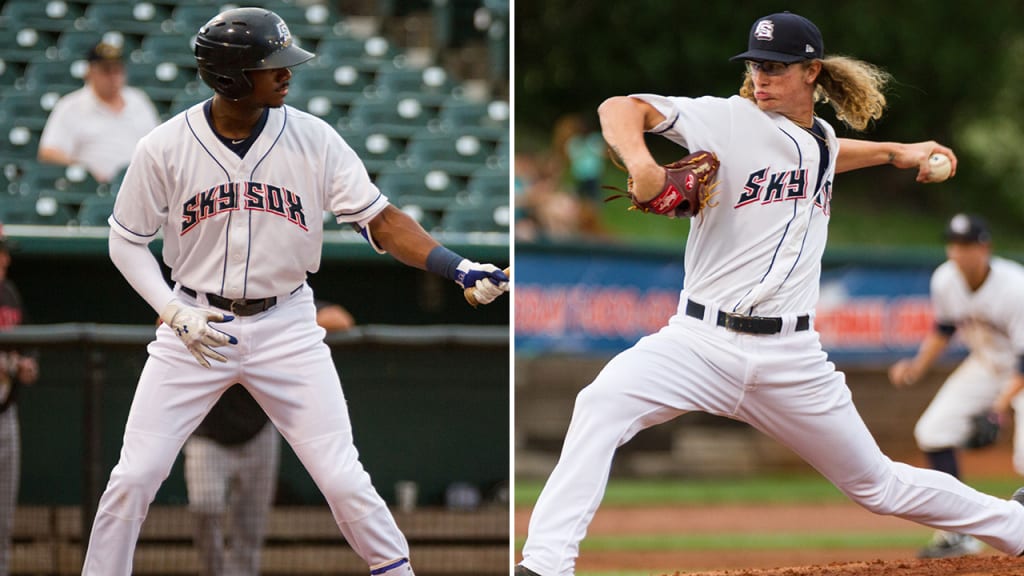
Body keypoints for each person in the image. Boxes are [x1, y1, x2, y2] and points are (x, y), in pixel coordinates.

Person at [515, 12, 1024, 576]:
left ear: (811, 72)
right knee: (600, 403)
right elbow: (619, 107)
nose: (762, 77)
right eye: (756, 65)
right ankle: (545, 565)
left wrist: (895, 151)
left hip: (792, 358)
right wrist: (642, 163)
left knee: (875, 484)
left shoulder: (822, 141)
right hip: (697, 343)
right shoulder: (727, 120)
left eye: (777, 67)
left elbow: (826, 154)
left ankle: (1015, 527)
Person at [81, 7, 508, 576]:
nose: (288, 73)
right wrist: (171, 310)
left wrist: (458, 269)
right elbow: (125, 243)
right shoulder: (164, 146)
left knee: (341, 476)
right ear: (232, 75)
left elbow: (380, 219)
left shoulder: (314, 138)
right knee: (133, 477)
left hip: (287, 325)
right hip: (196, 324)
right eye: (272, 65)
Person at [184, 301, 357, 576]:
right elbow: (163, 318)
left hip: (259, 431)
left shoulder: (278, 301)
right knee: (205, 505)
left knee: (251, 525)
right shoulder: (206, 298)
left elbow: (341, 319)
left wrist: (280, 329)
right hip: (208, 433)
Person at [889, 213, 1024, 558]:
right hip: (985, 365)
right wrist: (916, 367)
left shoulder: (1015, 287)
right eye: (953, 245)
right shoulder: (945, 279)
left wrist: (997, 409)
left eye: (966, 245)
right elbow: (945, 328)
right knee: (933, 431)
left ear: (985, 247)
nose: (959, 252)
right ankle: (958, 532)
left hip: (1020, 370)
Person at [38, 41, 161, 183]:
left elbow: (157, 146)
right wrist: (86, 171)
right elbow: (49, 152)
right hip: (90, 187)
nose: (113, 77)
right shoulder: (71, 106)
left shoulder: (139, 101)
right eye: (106, 71)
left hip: (139, 185)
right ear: (90, 72)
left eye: (117, 70)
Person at [0, 227, 40, 576]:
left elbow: (28, 346)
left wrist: (25, 364)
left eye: (4, 251)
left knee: (2, 520)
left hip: (5, 414)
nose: (5, 259)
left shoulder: (9, 293)